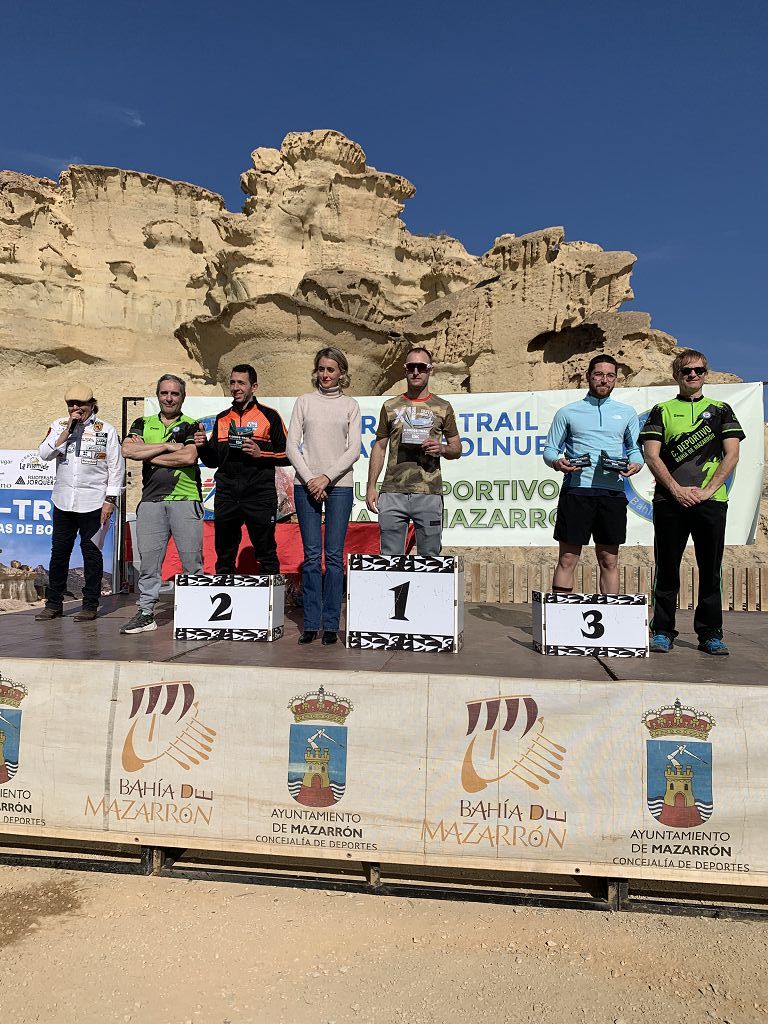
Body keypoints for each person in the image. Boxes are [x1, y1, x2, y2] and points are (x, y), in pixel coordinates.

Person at [639, 349, 744, 656]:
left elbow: (732, 454)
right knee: (667, 568)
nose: (693, 376)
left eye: (698, 370)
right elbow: (651, 454)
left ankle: (710, 633)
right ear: (677, 375)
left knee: (711, 570)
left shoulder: (722, 409)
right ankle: (662, 631)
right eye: (687, 372)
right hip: (670, 501)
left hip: (711, 501)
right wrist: (675, 488)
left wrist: (709, 490)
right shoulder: (662, 410)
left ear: (706, 373)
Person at [542, 354, 643, 594]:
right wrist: (557, 463)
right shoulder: (567, 412)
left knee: (609, 560)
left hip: (612, 492)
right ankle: (560, 619)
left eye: (610, 376)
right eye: (598, 374)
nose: (604, 380)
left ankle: (609, 619)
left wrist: (636, 464)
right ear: (588, 376)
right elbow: (549, 450)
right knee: (567, 558)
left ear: (616, 379)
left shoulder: (626, 412)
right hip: (576, 491)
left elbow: (635, 449)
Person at [287, 347, 362, 646]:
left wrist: (327, 478)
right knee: (310, 557)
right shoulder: (304, 402)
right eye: (321, 369)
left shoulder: (350, 405)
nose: (326, 375)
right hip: (305, 485)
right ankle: (310, 623)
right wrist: (310, 479)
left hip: (339, 485)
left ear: (342, 373)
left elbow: (353, 449)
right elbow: (293, 446)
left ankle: (331, 624)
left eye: (331, 370)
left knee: (333, 557)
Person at [120, 374, 204, 635]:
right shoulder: (141, 422)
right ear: (157, 396)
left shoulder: (192, 425)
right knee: (149, 563)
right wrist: (168, 446)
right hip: (151, 501)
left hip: (186, 498)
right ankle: (146, 613)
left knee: (192, 561)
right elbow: (128, 451)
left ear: (183, 397)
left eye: (175, 394)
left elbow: (189, 457)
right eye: (164, 393)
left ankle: (196, 612)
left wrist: (151, 455)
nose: (169, 398)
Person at [35, 383, 124, 622]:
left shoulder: (106, 429)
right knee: (59, 553)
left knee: (91, 554)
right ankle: (54, 603)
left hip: (94, 502)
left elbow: (116, 468)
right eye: (71, 405)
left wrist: (110, 500)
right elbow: (44, 454)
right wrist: (67, 431)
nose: (75, 408)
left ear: (92, 404)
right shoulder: (58, 426)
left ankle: (90, 604)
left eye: (80, 404)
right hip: (64, 500)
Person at [366, 347, 461, 555]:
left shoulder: (443, 407)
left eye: (421, 367)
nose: (416, 372)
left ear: (430, 370)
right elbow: (380, 446)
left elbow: (457, 449)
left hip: (428, 492)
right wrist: (371, 486)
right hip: (392, 492)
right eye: (411, 367)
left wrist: (442, 448)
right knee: (390, 559)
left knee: (430, 559)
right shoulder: (390, 406)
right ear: (405, 370)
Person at [195, 364, 289, 574]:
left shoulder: (269, 416)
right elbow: (212, 461)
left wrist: (261, 454)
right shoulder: (222, 418)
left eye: (241, 383)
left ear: (253, 387)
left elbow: (289, 455)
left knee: (266, 552)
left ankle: (268, 605)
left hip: (259, 494)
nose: (236, 387)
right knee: (225, 555)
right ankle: (227, 599)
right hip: (227, 494)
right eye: (232, 382)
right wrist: (202, 446)